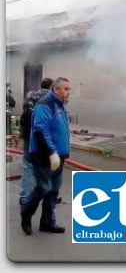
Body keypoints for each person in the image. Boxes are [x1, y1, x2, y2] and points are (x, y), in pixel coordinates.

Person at [20, 77, 71, 235]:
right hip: (44, 156)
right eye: (66, 89)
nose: (69, 92)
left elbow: (61, 131)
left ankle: (48, 222)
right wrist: (52, 152)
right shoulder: (45, 104)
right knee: (43, 187)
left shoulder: (60, 106)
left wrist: (63, 153)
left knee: (53, 190)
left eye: (69, 89)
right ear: (55, 90)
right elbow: (41, 130)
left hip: (58, 157)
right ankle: (26, 213)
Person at [19, 78, 54, 206]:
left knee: (27, 166)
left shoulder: (30, 96)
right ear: (51, 87)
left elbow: (24, 114)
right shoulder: (50, 100)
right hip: (41, 139)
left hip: (28, 136)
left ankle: (25, 197)